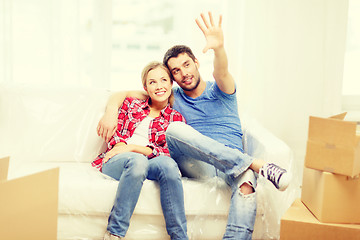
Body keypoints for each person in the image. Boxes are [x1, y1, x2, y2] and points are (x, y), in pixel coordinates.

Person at [97, 12, 291, 240]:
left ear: (197, 63)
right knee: (174, 130)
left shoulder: (222, 90)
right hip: (198, 164)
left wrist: (219, 49)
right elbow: (130, 93)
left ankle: (247, 172)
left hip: (231, 161)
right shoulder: (171, 95)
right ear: (173, 78)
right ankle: (258, 165)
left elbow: (222, 71)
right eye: (176, 71)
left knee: (247, 182)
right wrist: (111, 111)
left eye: (187, 65)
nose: (184, 73)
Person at [93, 61, 189, 240]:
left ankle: (180, 237)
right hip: (119, 159)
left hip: (149, 161)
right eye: (152, 82)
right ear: (145, 87)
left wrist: (135, 148)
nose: (159, 86)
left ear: (171, 84)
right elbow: (116, 135)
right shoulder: (132, 105)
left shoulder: (176, 119)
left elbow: (167, 152)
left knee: (168, 165)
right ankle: (114, 233)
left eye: (163, 80)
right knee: (137, 161)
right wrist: (124, 147)